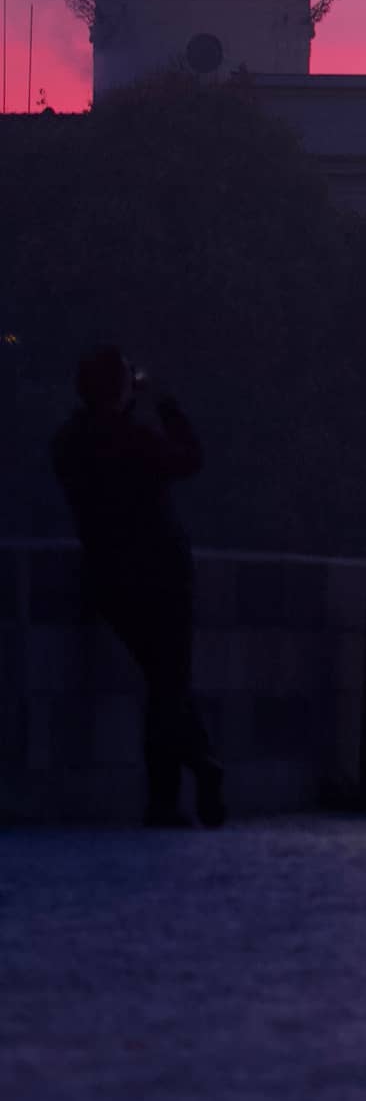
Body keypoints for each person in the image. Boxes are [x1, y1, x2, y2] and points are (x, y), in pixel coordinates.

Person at [48, 346, 224, 828]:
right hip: (161, 572)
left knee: (163, 681)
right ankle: (180, 784)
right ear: (122, 387)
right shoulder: (136, 438)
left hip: (109, 577)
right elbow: (189, 459)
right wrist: (166, 407)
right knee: (169, 684)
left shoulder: (68, 442)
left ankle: (200, 769)